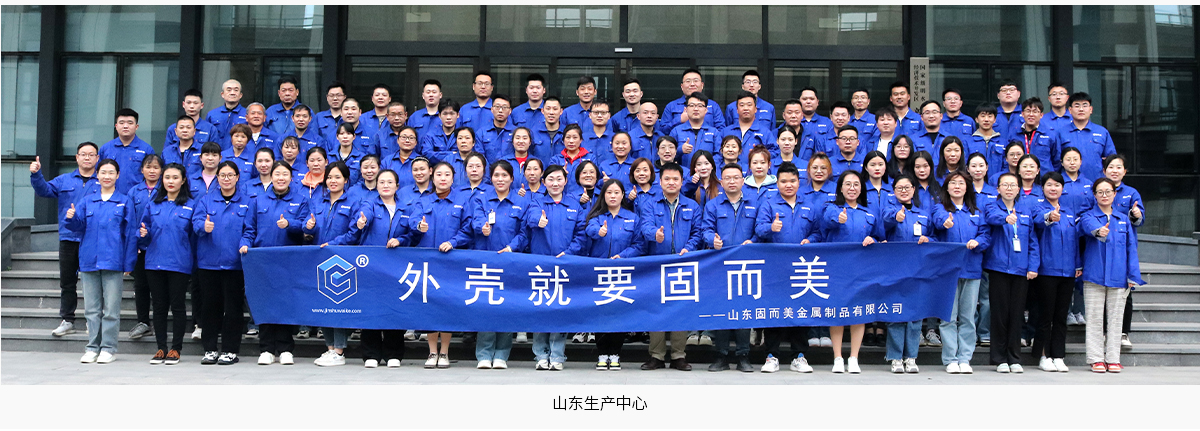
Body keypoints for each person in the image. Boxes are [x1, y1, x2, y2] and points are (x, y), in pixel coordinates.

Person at [239, 161, 313, 366]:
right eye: (277, 174)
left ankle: (286, 348)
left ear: (291, 178)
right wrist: (245, 244)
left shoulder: (301, 200)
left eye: (285, 174)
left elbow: (306, 228)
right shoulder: (257, 200)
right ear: (271, 177)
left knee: (285, 304)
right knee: (265, 303)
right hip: (262, 261)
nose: (281, 178)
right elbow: (249, 229)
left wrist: (290, 224)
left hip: (288, 261)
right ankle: (266, 348)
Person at [67, 158, 138, 364]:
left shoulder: (124, 201)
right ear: (97, 175)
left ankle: (108, 348)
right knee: (91, 309)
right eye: (103, 172)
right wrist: (71, 217)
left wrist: (129, 263)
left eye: (111, 172)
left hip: (113, 260)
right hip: (89, 259)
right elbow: (78, 228)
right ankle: (92, 347)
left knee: (111, 310)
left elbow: (130, 234)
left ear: (118, 175)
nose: (107, 176)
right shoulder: (87, 201)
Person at [339, 169, 409, 368]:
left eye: (390, 182)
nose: (385, 185)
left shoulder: (406, 208)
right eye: (382, 182)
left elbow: (411, 234)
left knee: (394, 308)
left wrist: (401, 240)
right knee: (370, 308)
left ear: (397, 186)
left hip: (396, 265)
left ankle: (394, 353)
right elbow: (363, 218)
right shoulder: (368, 204)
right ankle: (371, 354)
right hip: (371, 265)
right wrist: (362, 222)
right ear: (376, 186)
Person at [754, 162, 820, 372]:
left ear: (799, 182)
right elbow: (759, 229)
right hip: (775, 266)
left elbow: (817, 232)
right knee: (774, 310)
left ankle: (799, 356)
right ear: (777, 183)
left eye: (792, 181)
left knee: (801, 310)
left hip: (801, 267)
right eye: (783, 181)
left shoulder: (809, 204)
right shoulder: (768, 204)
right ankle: (771, 356)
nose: (788, 185)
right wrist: (770, 227)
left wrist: (811, 240)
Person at [30, 142, 100, 337]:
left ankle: (93, 321)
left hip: (92, 238)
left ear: (97, 158)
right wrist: (36, 174)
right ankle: (68, 320)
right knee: (67, 282)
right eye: (83, 154)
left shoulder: (103, 181)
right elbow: (44, 190)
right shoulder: (64, 180)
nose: (87, 158)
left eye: (91, 154)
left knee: (94, 281)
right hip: (69, 238)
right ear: (77, 157)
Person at [634, 162, 699, 371]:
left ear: (682, 181)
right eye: (667, 179)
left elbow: (697, 233)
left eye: (675, 179)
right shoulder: (649, 204)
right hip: (656, 264)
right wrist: (655, 234)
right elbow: (645, 227)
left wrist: (688, 248)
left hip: (682, 264)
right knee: (657, 310)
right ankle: (657, 355)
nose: (671, 182)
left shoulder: (692, 206)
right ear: (660, 182)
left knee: (680, 309)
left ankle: (679, 355)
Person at [524, 164, 587, 370]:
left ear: (565, 181)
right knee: (540, 310)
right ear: (544, 182)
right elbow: (531, 218)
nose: (555, 183)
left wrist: (569, 253)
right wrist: (538, 220)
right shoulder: (537, 202)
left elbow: (581, 234)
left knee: (560, 311)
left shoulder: (574, 205)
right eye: (550, 179)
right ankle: (540, 355)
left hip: (564, 266)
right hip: (541, 267)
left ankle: (557, 355)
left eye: (559, 179)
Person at [819, 170, 882, 373]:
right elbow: (826, 222)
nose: (852, 188)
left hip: (861, 270)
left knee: (858, 313)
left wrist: (873, 239)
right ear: (840, 188)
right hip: (836, 269)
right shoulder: (831, 207)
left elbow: (880, 237)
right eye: (847, 184)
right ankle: (837, 357)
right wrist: (838, 219)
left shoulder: (869, 213)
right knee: (837, 312)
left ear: (861, 188)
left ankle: (854, 357)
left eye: (856, 184)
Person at [1079, 178, 1143, 373]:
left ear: (1115, 194)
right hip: (1094, 275)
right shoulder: (1088, 216)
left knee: (1116, 319)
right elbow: (1088, 227)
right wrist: (1099, 231)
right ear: (1094, 195)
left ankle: (1113, 358)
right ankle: (1096, 358)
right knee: (1094, 318)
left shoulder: (1123, 219)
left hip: (1118, 276)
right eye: (1100, 192)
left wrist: (1133, 275)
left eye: (1108, 191)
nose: (1104, 195)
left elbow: (1131, 248)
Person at [470, 161, 530, 369]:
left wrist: (512, 248)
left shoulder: (521, 201)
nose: (500, 179)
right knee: (486, 307)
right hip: (486, 261)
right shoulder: (482, 198)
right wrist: (482, 227)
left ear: (512, 178)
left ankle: (502, 355)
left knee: (506, 307)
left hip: (510, 261)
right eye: (496, 175)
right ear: (491, 178)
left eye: (505, 175)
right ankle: (484, 354)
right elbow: (475, 220)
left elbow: (524, 232)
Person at [418, 162, 477, 368]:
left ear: (453, 178)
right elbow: (411, 224)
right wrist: (418, 226)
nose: (443, 178)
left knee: (446, 306)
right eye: (439, 174)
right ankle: (431, 352)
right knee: (429, 306)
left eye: (447, 175)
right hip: (428, 262)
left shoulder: (462, 201)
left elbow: (468, 229)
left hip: (451, 262)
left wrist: (453, 242)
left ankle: (444, 352)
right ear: (432, 177)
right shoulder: (424, 201)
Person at [193, 161, 251, 365]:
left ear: (237, 177)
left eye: (230, 175)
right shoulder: (206, 200)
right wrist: (203, 226)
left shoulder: (247, 202)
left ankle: (230, 350)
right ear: (217, 178)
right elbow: (196, 223)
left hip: (235, 264)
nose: (226, 179)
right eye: (222, 175)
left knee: (233, 308)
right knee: (210, 308)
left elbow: (250, 229)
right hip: (208, 263)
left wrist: (245, 243)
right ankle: (210, 349)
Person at [703, 163, 759, 373]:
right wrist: (712, 239)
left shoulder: (755, 203)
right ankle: (722, 355)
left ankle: (743, 355)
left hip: (746, 265)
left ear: (743, 180)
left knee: (744, 310)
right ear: (721, 181)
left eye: (736, 177)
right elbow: (705, 229)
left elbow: (761, 229)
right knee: (722, 310)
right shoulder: (713, 205)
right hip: (720, 264)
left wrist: (754, 241)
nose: (732, 181)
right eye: (727, 178)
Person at [932, 171, 990, 374]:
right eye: (953, 183)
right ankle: (950, 359)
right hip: (947, 271)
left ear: (967, 187)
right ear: (947, 188)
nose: (957, 186)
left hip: (971, 269)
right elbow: (937, 222)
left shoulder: (976, 211)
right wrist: (944, 223)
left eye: (961, 183)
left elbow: (986, 235)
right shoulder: (940, 208)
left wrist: (978, 241)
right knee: (948, 317)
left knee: (967, 317)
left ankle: (965, 358)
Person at [138, 163, 195, 365]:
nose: (171, 181)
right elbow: (143, 231)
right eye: (167, 177)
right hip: (155, 262)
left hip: (179, 263)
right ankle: (161, 348)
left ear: (183, 180)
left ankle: (176, 349)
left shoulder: (191, 205)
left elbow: (194, 236)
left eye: (175, 178)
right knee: (159, 307)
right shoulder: (153, 204)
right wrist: (142, 234)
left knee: (178, 306)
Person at [983, 172, 1040, 373]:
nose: (1009, 188)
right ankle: (999, 359)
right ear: (998, 189)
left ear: (1018, 189)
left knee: (1017, 315)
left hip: (1020, 269)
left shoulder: (1025, 211)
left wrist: (1033, 266)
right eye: (1005, 185)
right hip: (998, 267)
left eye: (1013, 185)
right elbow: (991, 218)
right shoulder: (992, 207)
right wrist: (1005, 218)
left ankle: (1014, 358)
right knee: (1000, 314)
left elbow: (1032, 242)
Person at [585, 179, 643, 371]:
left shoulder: (632, 218)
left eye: (616, 192)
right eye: (609, 192)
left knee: (619, 313)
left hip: (622, 272)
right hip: (599, 272)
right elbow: (589, 230)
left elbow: (639, 245)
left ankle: (615, 354)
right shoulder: (596, 217)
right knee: (600, 313)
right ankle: (602, 354)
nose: (612, 196)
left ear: (622, 195)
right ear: (603, 195)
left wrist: (623, 256)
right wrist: (599, 232)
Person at [306, 162, 358, 367]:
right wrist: (307, 227)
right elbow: (308, 227)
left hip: (341, 258)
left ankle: (339, 350)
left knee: (338, 303)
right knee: (323, 304)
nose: (333, 181)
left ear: (346, 180)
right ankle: (329, 348)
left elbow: (354, 232)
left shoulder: (353, 202)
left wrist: (334, 244)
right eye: (329, 177)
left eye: (337, 177)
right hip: (319, 258)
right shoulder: (317, 201)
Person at [882, 175, 933, 374]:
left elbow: (934, 237)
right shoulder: (889, 211)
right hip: (894, 269)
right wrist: (895, 218)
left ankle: (911, 357)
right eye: (899, 188)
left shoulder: (923, 214)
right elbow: (882, 227)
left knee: (915, 314)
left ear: (913, 189)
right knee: (896, 313)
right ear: (894, 191)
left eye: (907, 187)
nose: (903, 191)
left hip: (918, 270)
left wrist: (928, 239)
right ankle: (895, 357)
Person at [1031, 171, 1080, 373]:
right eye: (1049, 185)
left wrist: (1078, 265)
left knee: (1061, 316)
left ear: (1062, 188)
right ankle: (1044, 355)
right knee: (1045, 315)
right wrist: (1050, 217)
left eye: (1057, 185)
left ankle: (1058, 355)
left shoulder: (1069, 212)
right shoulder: (1037, 208)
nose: (1053, 188)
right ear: (1043, 188)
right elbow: (1037, 222)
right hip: (1046, 270)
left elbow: (1075, 241)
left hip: (1067, 271)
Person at [1101, 154, 1145, 348]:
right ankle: (1104, 331)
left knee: (1125, 291)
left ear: (1125, 171)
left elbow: (1140, 220)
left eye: (1119, 167)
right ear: (1104, 170)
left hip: (1123, 249)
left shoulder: (1131, 193)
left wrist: (1136, 214)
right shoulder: (1099, 189)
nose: (1115, 170)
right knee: (1102, 290)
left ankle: (1123, 332)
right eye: (1111, 167)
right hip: (1101, 247)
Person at [127, 154, 163, 340]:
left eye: (156, 167)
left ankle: (159, 322)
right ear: (142, 170)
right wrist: (134, 242)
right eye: (148, 167)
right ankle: (143, 322)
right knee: (141, 285)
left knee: (158, 287)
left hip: (160, 246)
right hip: (140, 247)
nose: (152, 171)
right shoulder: (134, 192)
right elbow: (129, 219)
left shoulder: (166, 189)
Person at [966, 152, 998, 347]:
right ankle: (969, 332)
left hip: (991, 248)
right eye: (973, 166)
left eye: (981, 166)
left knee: (986, 297)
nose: (977, 169)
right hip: (969, 249)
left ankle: (984, 332)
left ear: (987, 168)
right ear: (967, 169)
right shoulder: (963, 189)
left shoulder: (994, 192)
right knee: (969, 297)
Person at [99, 108, 155, 193]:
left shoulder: (146, 149)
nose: (125, 126)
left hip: (137, 197)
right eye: (121, 123)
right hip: (111, 196)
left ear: (136, 127)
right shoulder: (106, 148)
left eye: (130, 123)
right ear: (116, 126)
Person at [658, 68, 726, 135]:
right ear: (682, 86)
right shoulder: (671, 106)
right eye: (688, 81)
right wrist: (679, 120)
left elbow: (721, 130)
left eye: (696, 81)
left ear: (702, 85)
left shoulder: (713, 105)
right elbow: (662, 132)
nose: (692, 84)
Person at [668, 92, 721, 167]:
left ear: (706, 110)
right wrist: (680, 150)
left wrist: (707, 167)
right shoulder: (676, 131)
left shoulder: (714, 132)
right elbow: (667, 155)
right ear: (686, 109)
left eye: (700, 106)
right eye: (692, 105)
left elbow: (719, 155)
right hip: (683, 173)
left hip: (706, 172)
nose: (696, 109)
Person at [1014, 97, 1060, 175]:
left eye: (1035, 111)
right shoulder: (1015, 134)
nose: (1031, 114)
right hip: (1021, 177)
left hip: (1044, 178)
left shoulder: (1050, 135)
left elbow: (1057, 160)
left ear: (1041, 115)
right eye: (1028, 111)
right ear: (1022, 114)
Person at [723, 91, 777, 157]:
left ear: (755, 109)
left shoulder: (765, 132)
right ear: (737, 110)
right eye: (742, 105)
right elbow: (718, 154)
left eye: (749, 105)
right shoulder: (725, 132)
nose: (746, 108)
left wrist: (761, 154)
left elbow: (775, 152)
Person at [205, 79, 247, 144]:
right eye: (229, 90)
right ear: (222, 94)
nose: (232, 93)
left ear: (240, 95)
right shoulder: (212, 114)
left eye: (236, 90)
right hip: (216, 150)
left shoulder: (247, 114)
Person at [419, 98, 461, 163]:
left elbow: (466, 154)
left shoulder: (462, 134)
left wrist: (438, 154)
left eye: (452, 114)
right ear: (439, 115)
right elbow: (427, 154)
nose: (448, 117)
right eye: (445, 114)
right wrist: (452, 154)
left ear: (458, 115)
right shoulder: (431, 135)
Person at [478, 94, 515, 164]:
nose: (500, 110)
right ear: (492, 109)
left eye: (504, 107)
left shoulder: (516, 132)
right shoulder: (481, 133)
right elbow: (480, 158)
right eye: (497, 107)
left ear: (510, 111)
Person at [530, 96, 565, 163]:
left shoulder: (567, 133)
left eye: (555, 109)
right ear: (542, 111)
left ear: (561, 111)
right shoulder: (533, 133)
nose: (551, 112)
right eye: (548, 109)